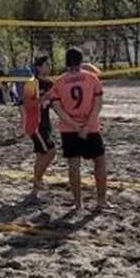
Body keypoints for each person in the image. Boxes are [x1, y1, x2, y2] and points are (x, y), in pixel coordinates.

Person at [48, 47, 110, 210]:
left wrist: (76, 126)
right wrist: (87, 125)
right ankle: (101, 201)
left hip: (69, 130)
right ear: (81, 61)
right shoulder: (92, 78)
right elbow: (98, 105)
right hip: (91, 128)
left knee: (74, 166)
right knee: (100, 163)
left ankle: (78, 203)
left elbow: (58, 110)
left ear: (66, 62)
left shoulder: (59, 82)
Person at [21, 55, 58, 198]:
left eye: (50, 64)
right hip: (35, 124)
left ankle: (37, 184)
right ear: (38, 67)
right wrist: (43, 98)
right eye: (46, 64)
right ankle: (37, 180)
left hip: (46, 123)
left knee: (41, 155)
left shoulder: (50, 83)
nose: (49, 66)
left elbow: (55, 103)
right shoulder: (32, 83)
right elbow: (27, 105)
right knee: (51, 151)